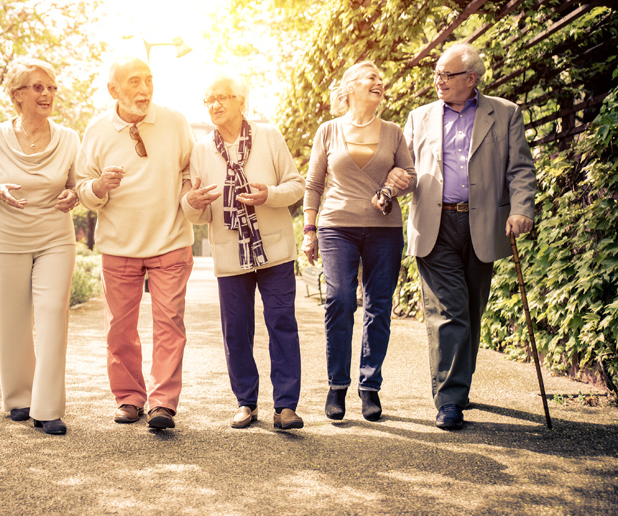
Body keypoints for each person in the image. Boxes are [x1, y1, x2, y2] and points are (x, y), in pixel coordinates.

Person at [399, 43, 536, 430]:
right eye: (437, 73)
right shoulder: (419, 117)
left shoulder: (505, 113)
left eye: (446, 74)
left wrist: (523, 207)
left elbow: (521, 169)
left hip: (483, 225)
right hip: (435, 224)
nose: (438, 81)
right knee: (449, 311)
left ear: (471, 79)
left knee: (472, 311)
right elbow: (407, 170)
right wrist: (394, 182)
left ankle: (459, 384)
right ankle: (449, 399)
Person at [76, 57, 195, 430]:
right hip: (119, 244)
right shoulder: (96, 131)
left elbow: (191, 169)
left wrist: (192, 197)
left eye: (148, 80)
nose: (144, 90)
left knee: (169, 325)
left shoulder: (175, 122)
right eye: (133, 82)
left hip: (170, 240)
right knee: (119, 329)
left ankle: (163, 403)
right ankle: (129, 398)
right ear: (113, 90)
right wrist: (98, 187)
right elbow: (81, 186)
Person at [183, 73, 305, 430]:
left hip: (274, 249)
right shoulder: (201, 150)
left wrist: (270, 194)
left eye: (222, 97)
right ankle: (245, 402)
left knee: (282, 323)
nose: (215, 105)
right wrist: (191, 203)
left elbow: (296, 185)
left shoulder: (268, 135)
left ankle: (285, 406)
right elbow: (200, 212)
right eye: (208, 99)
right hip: (229, 251)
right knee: (236, 329)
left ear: (241, 101)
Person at [302, 61, 416, 423]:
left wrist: (400, 179)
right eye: (371, 78)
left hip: (384, 229)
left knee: (379, 306)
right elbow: (314, 183)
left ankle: (370, 387)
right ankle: (337, 385)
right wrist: (309, 230)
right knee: (339, 299)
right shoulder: (328, 130)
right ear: (350, 87)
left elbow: (411, 175)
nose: (379, 83)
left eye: (381, 80)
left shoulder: (394, 131)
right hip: (337, 225)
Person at [0, 57, 79, 436]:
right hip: (7, 240)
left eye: (51, 87)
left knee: (52, 316)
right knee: (12, 321)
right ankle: (18, 398)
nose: (47, 94)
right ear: (17, 95)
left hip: (55, 238)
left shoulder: (68, 137)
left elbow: (76, 185)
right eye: (37, 87)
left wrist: (73, 196)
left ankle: (47, 408)